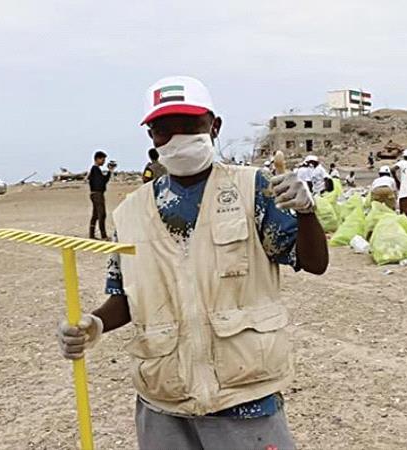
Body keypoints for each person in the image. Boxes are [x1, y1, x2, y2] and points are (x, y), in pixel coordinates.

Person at [56, 76, 328, 449]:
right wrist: (96, 322)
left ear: (214, 126)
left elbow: (314, 262)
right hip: (163, 399)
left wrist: (306, 211)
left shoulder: (255, 189)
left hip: (245, 399)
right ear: (151, 137)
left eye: (190, 125)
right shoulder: (130, 212)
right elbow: (126, 295)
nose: (177, 138)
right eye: (163, 130)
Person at [87, 150, 114, 240]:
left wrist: (110, 171)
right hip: (97, 194)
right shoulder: (95, 169)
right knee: (102, 214)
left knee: (95, 215)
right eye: (102, 160)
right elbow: (101, 183)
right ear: (97, 159)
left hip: (96, 194)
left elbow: (104, 180)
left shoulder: (96, 170)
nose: (103, 162)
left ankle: (91, 234)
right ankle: (103, 235)